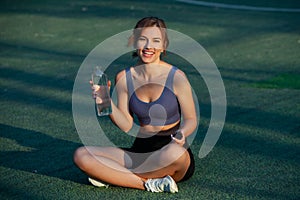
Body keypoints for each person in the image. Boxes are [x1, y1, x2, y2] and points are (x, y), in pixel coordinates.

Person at [73, 17, 197, 193]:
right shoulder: (124, 78)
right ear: (134, 42)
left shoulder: (177, 77)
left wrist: (183, 133)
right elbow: (126, 124)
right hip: (140, 151)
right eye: (142, 39)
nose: (148, 46)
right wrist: (107, 103)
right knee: (81, 155)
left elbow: (191, 119)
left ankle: (114, 175)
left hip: (171, 149)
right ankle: (148, 184)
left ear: (164, 45)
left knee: (175, 154)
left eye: (155, 40)